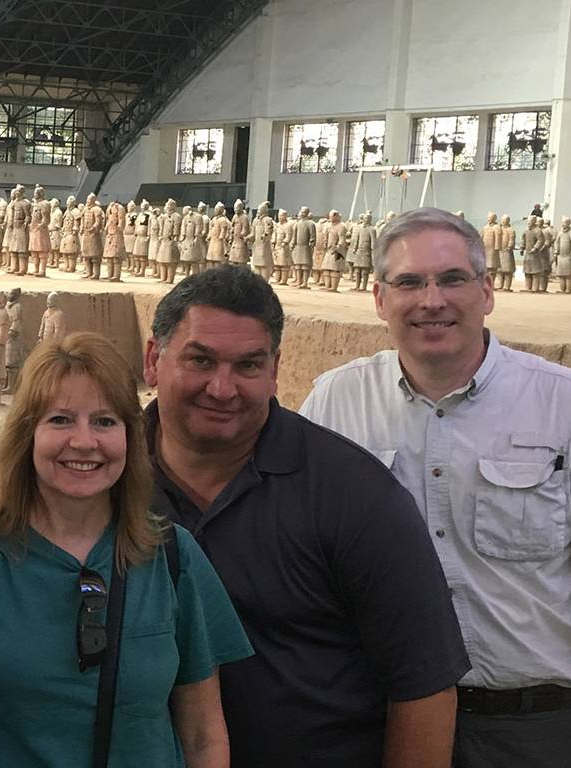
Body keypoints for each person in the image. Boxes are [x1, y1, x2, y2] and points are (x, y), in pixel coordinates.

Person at [299, 207, 571, 768]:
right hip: (374, 723)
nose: (432, 300)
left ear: (487, 291)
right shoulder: (334, 403)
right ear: (379, 298)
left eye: (452, 279)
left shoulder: (570, 406)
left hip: (531, 729)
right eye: (408, 282)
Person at [143, 264, 469, 767]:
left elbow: (424, 686)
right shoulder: (102, 481)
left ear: (275, 370)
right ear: (152, 360)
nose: (222, 388)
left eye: (248, 366)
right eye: (200, 360)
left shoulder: (356, 496)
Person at [0, 332, 252, 767]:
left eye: (104, 421)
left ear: (129, 437)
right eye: (61, 420)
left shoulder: (171, 556)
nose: (84, 442)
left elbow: (202, 735)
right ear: (28, 435)